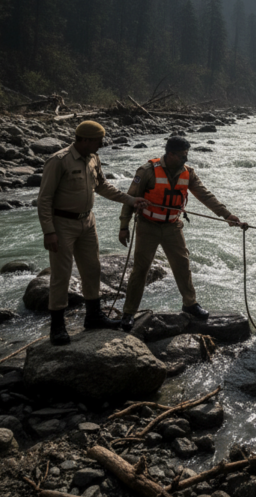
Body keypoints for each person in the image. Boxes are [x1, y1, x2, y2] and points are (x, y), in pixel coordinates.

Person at [37, 120, 148, 345]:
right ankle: (57, 327)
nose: (102, 144)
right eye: (99, 140)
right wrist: (49, 231)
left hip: (87, 222)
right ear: (85, 140)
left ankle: (93, 317)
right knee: (61, 275)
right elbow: (44, 199)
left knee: (92, 268)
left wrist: (130, 200)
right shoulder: (59, 161)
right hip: (62, 224)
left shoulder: (93, 158)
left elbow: (102, 185)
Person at [118, 136, 245, 331]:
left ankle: (190, 303)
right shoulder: (147, 171)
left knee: (182, 265)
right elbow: (130, 198)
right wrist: (124, 226)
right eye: (182, 155)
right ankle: (128, 312)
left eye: (187, 154)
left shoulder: (188, 173)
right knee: (141, 269)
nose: (185, 159)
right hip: (147, 225)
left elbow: (205, 195)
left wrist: (226, 215)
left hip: (172, 226)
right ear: (170, 154)